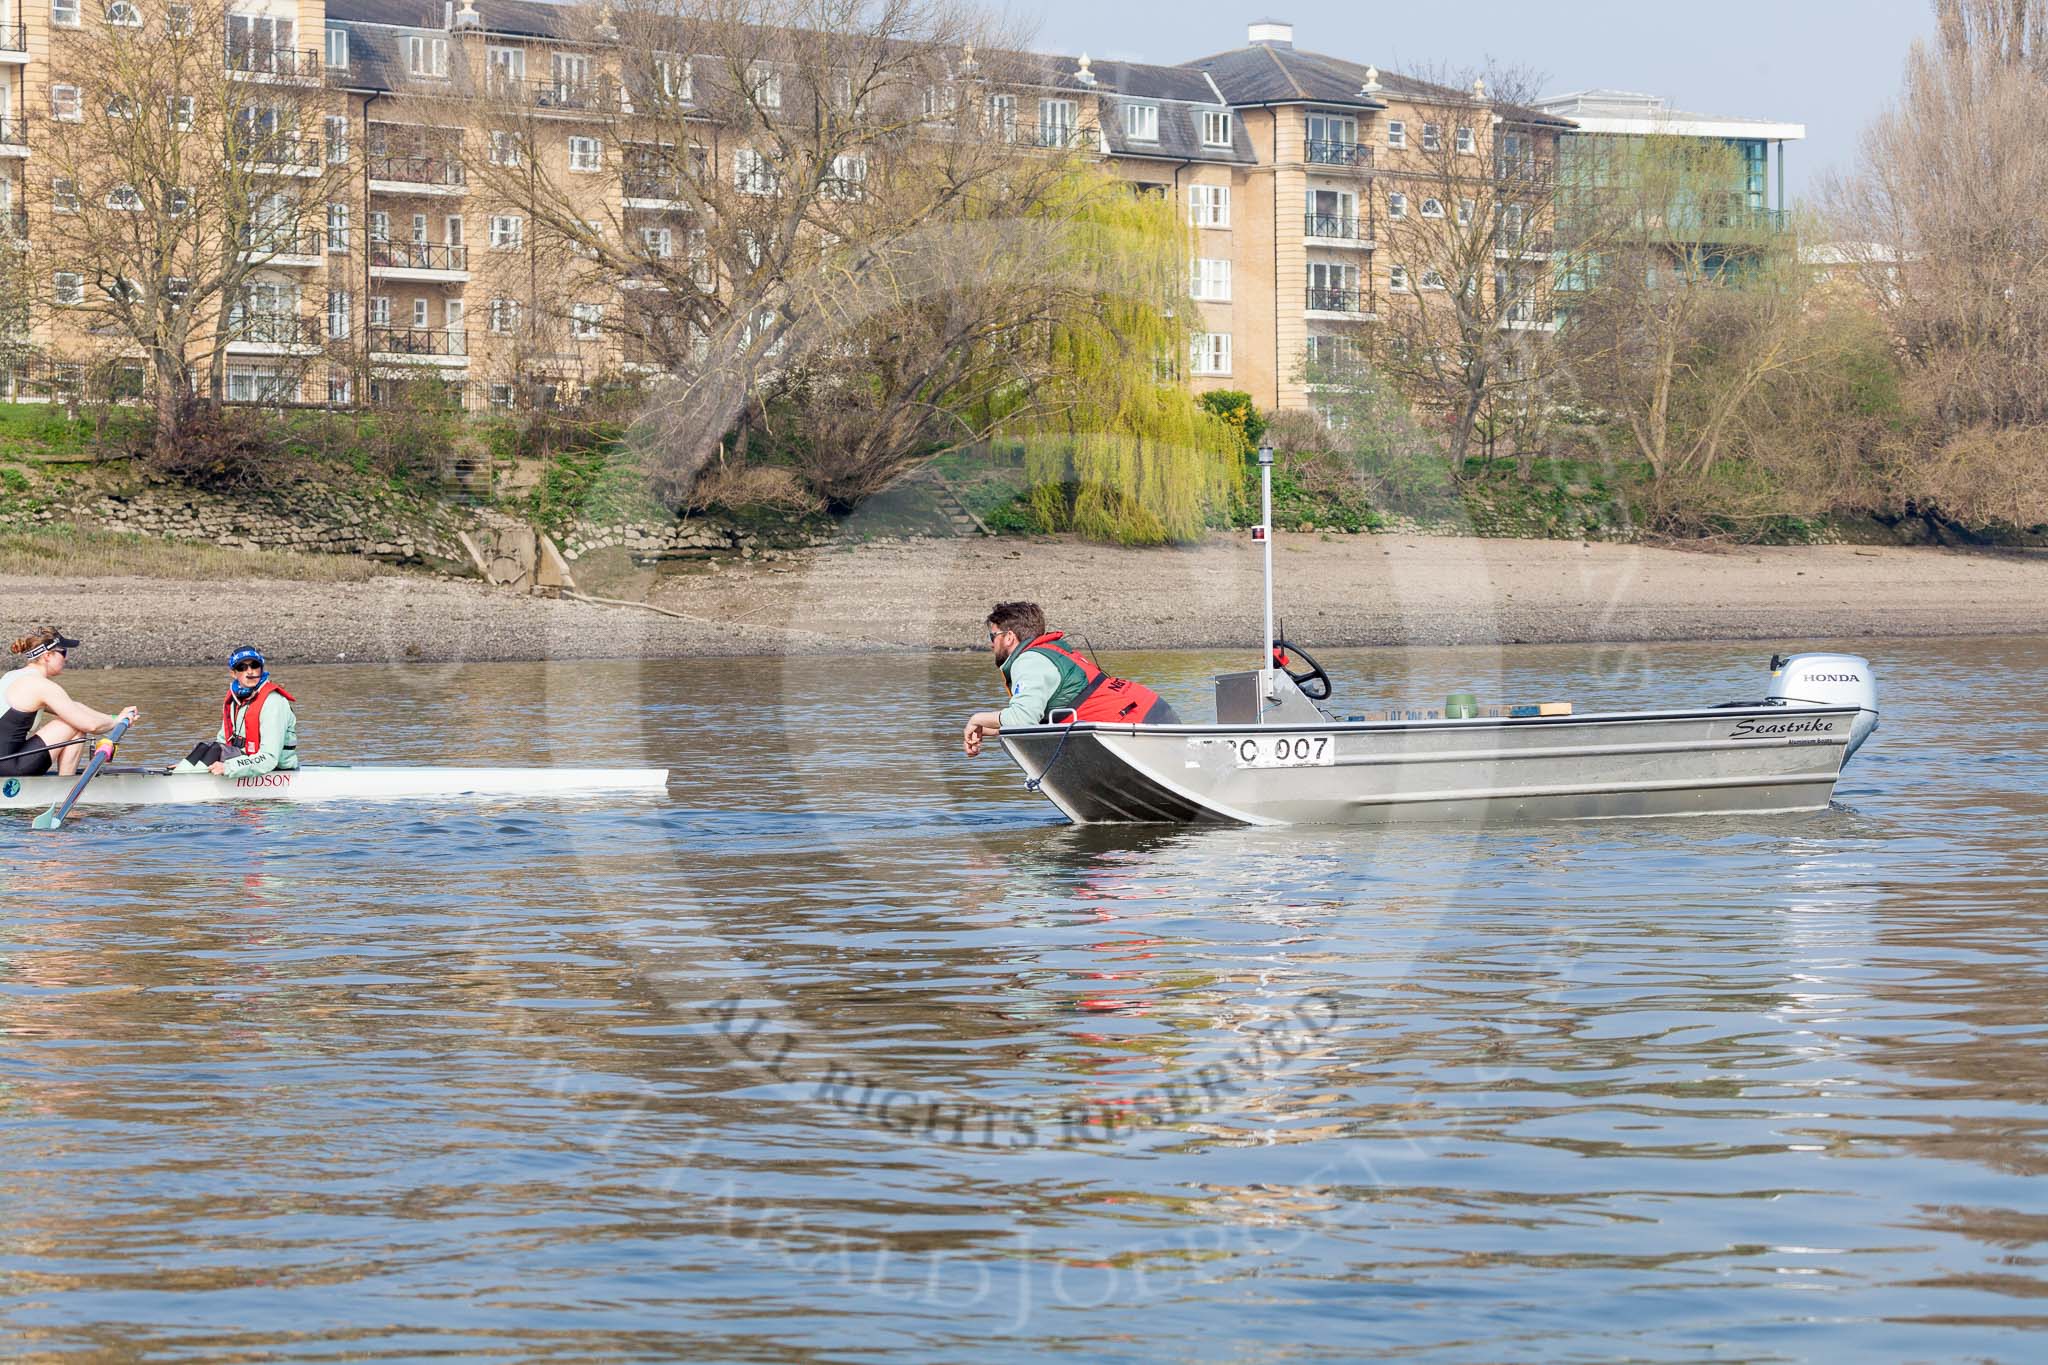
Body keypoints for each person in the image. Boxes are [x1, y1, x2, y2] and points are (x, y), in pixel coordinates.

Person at [963, 602, 1178, 757]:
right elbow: (1034, 725)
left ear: (1009, 637)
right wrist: (988, 729)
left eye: (993, 637)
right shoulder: (1050, 651)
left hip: (1135, 724)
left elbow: (1022, 719)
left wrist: (977, 718)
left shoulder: (1029, 661)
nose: (991, 644)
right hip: (1150, 711)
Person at [0, 627, 139, 777]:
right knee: (75, 724)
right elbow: (90, 725)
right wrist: (116, 723)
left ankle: (65, 782)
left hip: (7, 761)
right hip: (8, 767)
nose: (66, 658)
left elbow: (75, 708)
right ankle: (66, 785)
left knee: (74, 718)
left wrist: (114, 717)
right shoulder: (42, 686)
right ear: (47, 656)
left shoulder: (11, 676)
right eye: (63, 652)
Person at [173, 646, 298, 777]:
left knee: (216, 749)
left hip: (274, 767)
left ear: (261, 669)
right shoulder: (235, 700)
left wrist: (228, 767)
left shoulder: (274, 702)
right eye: (242, 667)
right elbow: (221, 741)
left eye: (254, 665)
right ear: (233, 673)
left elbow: (270, 758)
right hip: (246, 761)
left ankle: (186, 777)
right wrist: (193, 763)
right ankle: (183, 771)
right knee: (205, 747)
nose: (249, 672)